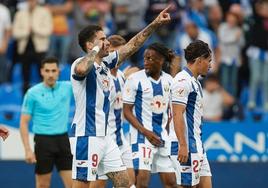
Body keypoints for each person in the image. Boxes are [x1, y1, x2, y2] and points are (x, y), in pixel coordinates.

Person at [69, 5, 171, 188]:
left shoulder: (106, 64)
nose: (107, 42)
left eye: (106, 39)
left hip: (106, 137)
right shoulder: (80, 62)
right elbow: (82, 69)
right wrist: (94, 50)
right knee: (82, 185)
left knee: (124, 183)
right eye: (102, 39)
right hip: (86, 136)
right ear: (90, 45)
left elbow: (132, 45)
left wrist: (154, 24)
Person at [123, 43, 177, 188]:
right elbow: (126, 111)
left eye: (150, 58)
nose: (146, 61)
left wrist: (165, 130)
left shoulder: (169, 81)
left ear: (161, 61)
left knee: (171, 182)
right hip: (142, 138)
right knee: (142, 181)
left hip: (161, 138)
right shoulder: (135, 79)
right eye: (145, 58)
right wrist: (145, 132)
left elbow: (170, 111)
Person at [20, 57, 73, 188]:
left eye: (53, 70)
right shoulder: (32, 93)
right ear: (41, 71)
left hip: (63, 141)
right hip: (43, 142)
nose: (50, 74)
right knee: (43, 185)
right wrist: (27, 150)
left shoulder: (68, 87)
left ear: (58, 72)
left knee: (73, 185)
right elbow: (23, 123)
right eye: (47, 71)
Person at [90, 35, 135, 188]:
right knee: (98, 185)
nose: (119, 57)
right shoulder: (102, 75)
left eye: (123, 53)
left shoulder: (122, 76)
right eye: (116, 53)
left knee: (129, 183)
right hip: (104, 139)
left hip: (121, 140)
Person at [170, 40, 212, 188]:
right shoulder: (182, 81)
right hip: (186, 145)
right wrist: (183, 145)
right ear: (199, 60)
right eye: (209, 61)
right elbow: (177, 114)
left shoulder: (195, 82)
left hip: (197, 144)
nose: (210, 65)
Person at [12, 0, 53, 93]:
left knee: (43, 75)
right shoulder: (20, 13)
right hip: (24, 49)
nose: (31, 2)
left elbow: (48, 30)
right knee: (25, 77)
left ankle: (44, 95)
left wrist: (35, 29)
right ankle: (25, 98)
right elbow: (15, 32)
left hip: (40, 49)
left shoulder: (45, 12)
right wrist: (27, 32)